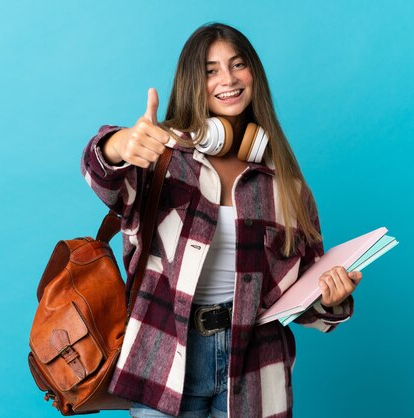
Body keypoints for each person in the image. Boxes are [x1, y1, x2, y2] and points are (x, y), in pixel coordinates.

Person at [81, 22, 361, 418]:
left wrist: (332, 299)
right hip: (165, 358)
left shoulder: (286, 186)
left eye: (237, 65)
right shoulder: (161, 155)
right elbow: (101, 177)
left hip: (253, 368)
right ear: (193, 81)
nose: (227, 79)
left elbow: (300, 295)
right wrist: (118, 144)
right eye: (211, 70)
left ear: (254, 75)